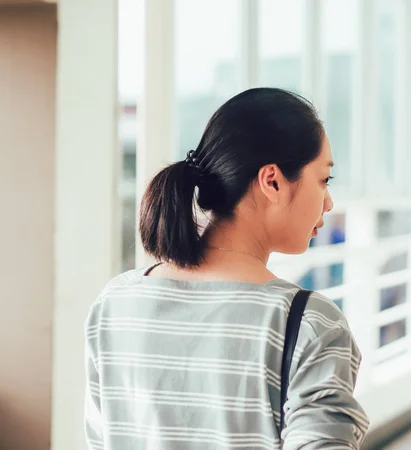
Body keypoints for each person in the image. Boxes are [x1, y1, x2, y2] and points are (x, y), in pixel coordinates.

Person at [84, 87, 370, 449]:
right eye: (323, 180)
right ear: (272, 182)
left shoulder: (114, 304)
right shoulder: (307, 324)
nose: (328, 202)